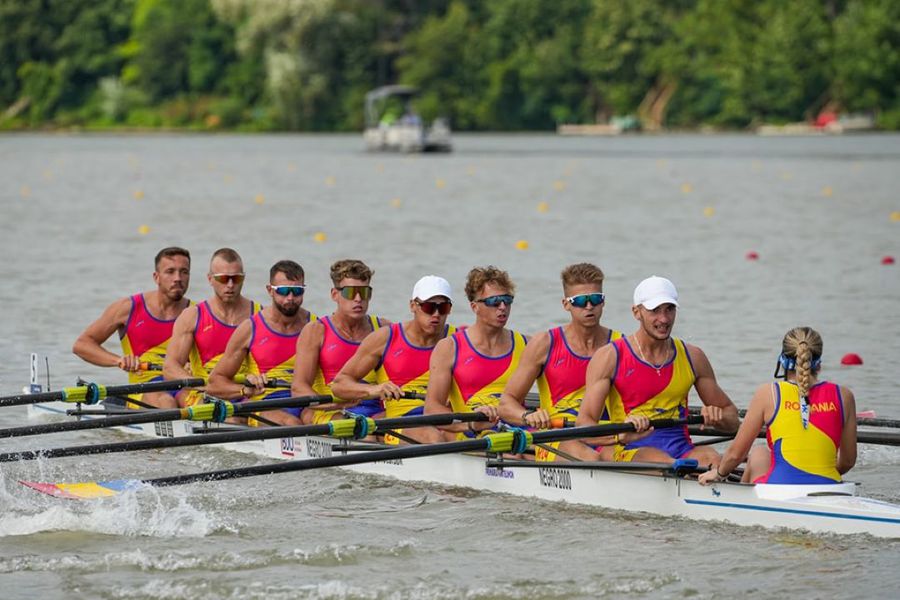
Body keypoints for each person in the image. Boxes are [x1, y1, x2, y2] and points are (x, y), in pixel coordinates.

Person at [577, 276, 739, 466]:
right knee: (661, 461)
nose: (664, 319)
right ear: (636, 312)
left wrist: (717, 418)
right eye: (655, 310)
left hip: (681, 449)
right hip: (629, 450)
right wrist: (619, 436)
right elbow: (583, 426)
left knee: (712, 458)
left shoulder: (693, 356)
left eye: (669, 309)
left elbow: (733, 421)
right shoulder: (610, 357)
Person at [498, 263, 635, 461]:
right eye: (580, 301)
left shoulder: (620, 345)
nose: (589, 306)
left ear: (603, 302)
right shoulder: (544, 344)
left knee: (639, 459)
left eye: (595, 299)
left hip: (604, 436)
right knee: (592, 459)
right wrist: (528, 416)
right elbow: (506, 403)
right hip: (556, 436)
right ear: (566, 304)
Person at [699, 327, 857, 485]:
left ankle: (740, 502)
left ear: (782, 361)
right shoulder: (844, 396)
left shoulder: (768, 394)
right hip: (830, 487)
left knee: (759, 453)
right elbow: (848, 462)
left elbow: (736, 455)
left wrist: (719, 474)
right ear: (819, 364)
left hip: (778, 488)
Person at [331, 275, 455, 444]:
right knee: (432, 437)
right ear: (413, 306)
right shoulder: (385, 338)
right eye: (428, 307)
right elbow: (339, 384)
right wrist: (374, 390)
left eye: (443, 308)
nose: (436, 314)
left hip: (444, 419)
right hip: (400, 422)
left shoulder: (457, 340)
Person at [72, 247, 192, 408]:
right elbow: (82, 345)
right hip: (145, 388)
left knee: (198, 403)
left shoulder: (197, 313)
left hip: (185, 385)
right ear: (156, 277)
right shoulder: (128, 308)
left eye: (184, 272)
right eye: (170, 271)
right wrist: (118, 361)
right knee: (166, 402)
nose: (178, 278)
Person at [206, 260, 315, 425]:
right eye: (284, 291)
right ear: (270, 290)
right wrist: (244, 390)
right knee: (292, 423)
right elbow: (215, 383)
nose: (290, 298)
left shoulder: (316, 326)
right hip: (265, 403)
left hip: (307, 402)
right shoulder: (250, 328)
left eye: (297, 291)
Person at [424, 266, 527, 440]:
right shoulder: (449, 348)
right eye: (494, 301)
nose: (502, 307)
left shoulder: (527, 345)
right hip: (471, 433)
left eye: (507, 300)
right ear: (474, 307)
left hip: (517, 432)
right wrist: (470, 424)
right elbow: (432, 409)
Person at [292, 259, 389, 425]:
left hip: (374, 411)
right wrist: (333, 404)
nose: (358, 299)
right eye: (350, 293)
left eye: (364, 292)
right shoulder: (316, 331)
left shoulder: (384, 329)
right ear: (334, 294)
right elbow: (299, 389)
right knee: (361, 431)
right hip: (329, 410)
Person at [162, 248, 260, 407]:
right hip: (202, 392)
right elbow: (170, 368)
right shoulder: (192, 316)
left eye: (236, 278)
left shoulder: (259, 316)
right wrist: (203, 385)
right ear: (210, 279)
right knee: (230, 417)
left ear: (243, 278)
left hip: (244, 391)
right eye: (223, 279)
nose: (230, 285)